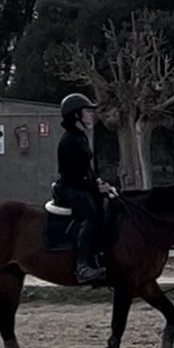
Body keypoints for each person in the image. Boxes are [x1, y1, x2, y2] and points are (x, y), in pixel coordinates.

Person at [55, 93, 113, 285]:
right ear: (75, 115)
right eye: (87, 111)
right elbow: (74, 174)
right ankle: (82, 267)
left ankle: (99, 254)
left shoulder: (80, 137)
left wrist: (99, 182)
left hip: (80, 185)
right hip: (70, 188)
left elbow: (87, 170)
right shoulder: (69, 140)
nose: (91, 115)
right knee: (89, 215)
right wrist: (96, 187)